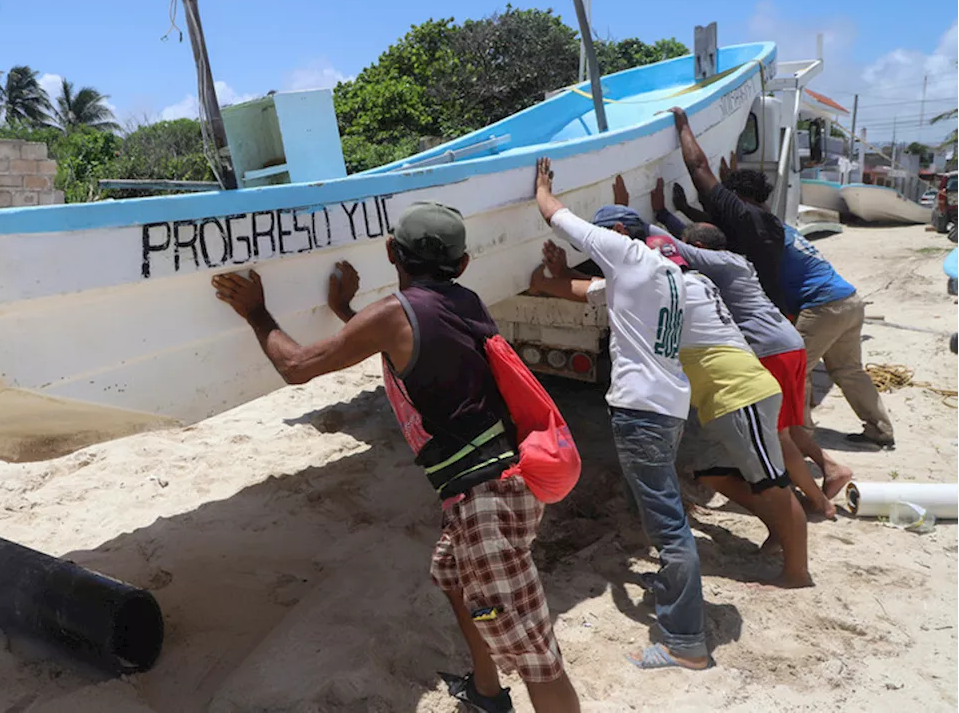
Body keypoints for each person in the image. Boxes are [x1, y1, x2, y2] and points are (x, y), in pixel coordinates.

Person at [211, 201, 579, 713]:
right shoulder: (466, 299)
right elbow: (411, 340)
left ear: (390, 252)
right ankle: (487, 693)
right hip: (501, 483)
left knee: (537, 656)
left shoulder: (393, 314)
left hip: (485, 500)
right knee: (453, 578)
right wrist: (349, 313)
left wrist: (256, 310)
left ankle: (502, 693)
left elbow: (296, 367)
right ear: (465, 263)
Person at [528, 158, 710, 671]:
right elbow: (585, 292)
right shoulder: (666, 273)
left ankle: (685, 642)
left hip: (642, 410)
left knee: (669, 524)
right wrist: (554, 278)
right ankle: (673, 591)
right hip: (668, 404)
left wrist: (543, 188)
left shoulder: (627, 254)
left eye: (602, 242)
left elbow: (560, 218)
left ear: (616, 237)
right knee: (661, 507)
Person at [647, 178, 854, 519]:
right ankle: (829, 468)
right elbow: (690, 238)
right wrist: (669, 212)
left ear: (699, 247)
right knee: (785, 426)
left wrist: (645, 219)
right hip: (788, 342)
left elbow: (676, 246)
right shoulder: (733, 259)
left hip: (770, 350)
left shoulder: (719, 266)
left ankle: (818, 501)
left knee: (778, 435)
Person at [640, 231, 812, 588]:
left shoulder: (677, 290)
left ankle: (797, 572)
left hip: (740, 396)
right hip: (721, 402)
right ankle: (779, 530)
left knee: (774, 484)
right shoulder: (698, 281)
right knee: (710, 472)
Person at [713, 177, 897, 448]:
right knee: (849, 370)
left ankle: (803, 438)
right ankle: (880, 429)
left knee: (796, 370)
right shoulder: (779, 226)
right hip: (848, 299)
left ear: (740, 200)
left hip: (821, 305)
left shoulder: (760, 229)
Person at [670, 106, 788, 315]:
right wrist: (685, 209)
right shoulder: (773, 223)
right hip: (775, 307)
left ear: (735, 194)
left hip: (751, 314)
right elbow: (717, 227)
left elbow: (699, 167)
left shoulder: (742, 214)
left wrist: (683, 125)